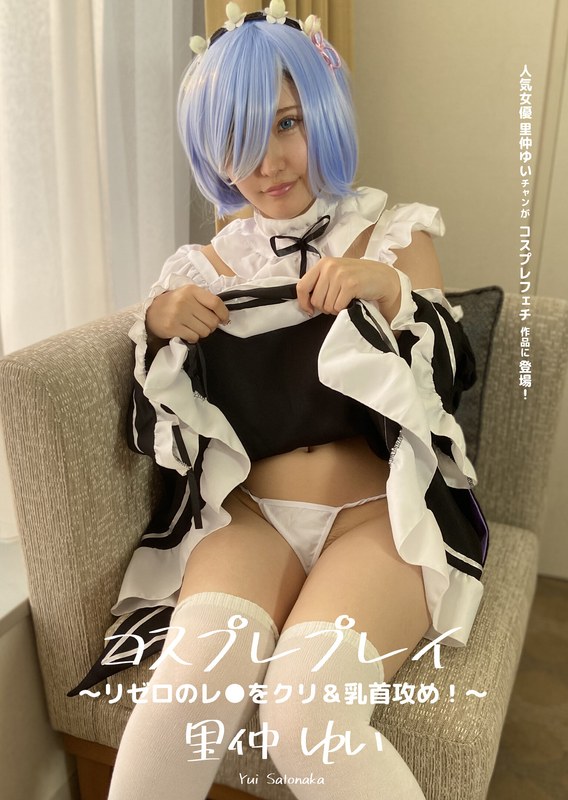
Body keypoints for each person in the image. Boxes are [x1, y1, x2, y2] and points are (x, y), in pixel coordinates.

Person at [98, 3, 488, 798]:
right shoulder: (203, 266)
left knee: (307, 713)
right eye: (237, 141)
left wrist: (389, 292)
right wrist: (159, 324)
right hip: (251, 520)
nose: (268, 163)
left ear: (323, 112)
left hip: (376, 518)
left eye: (286, 124)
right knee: (178, 704)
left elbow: (446, 380)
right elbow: (164, 427)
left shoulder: (394, 235)